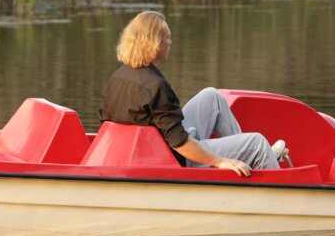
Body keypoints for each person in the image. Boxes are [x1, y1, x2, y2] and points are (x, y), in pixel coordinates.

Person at [99, 10, 288, 177]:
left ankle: (248, 159)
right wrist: (219, 161)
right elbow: (180, 144)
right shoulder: (156, 86)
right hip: (173, 157)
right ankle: (271, 181)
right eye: (167, 38)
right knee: (258, 143)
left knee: (211, 96)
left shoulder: (117, 77)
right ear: (154, 43)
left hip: (150, 147)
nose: (170, 42)